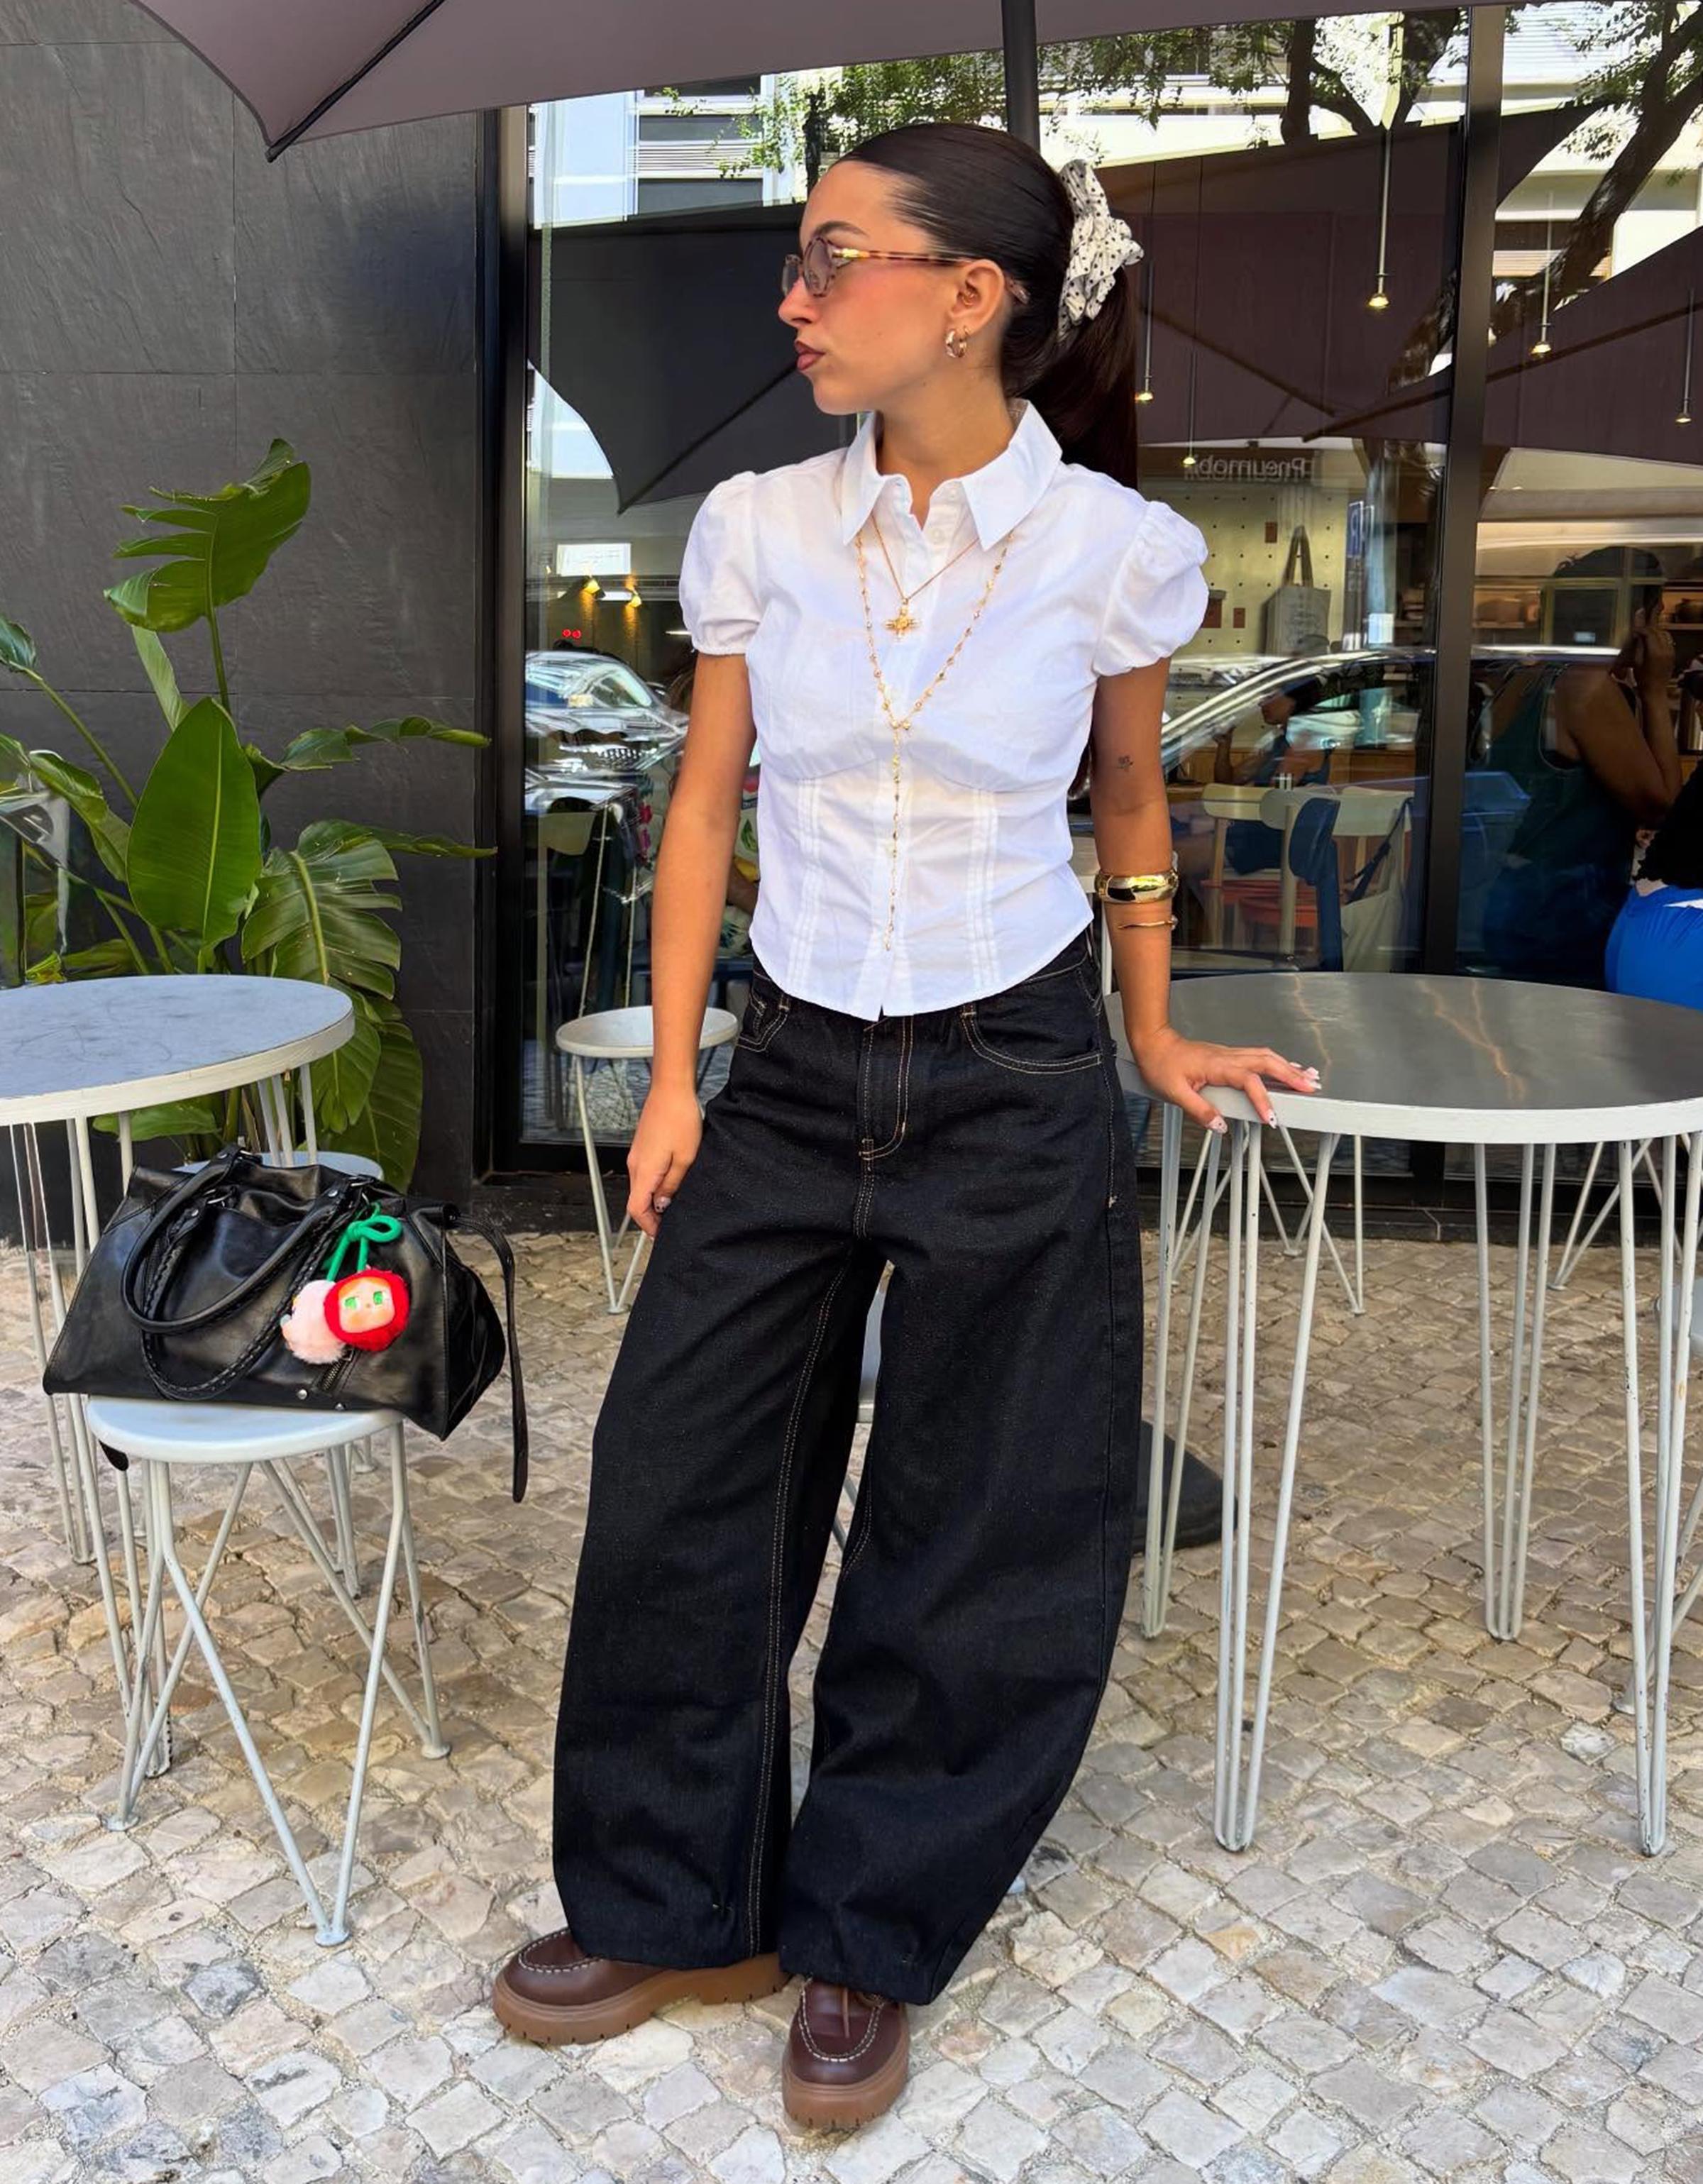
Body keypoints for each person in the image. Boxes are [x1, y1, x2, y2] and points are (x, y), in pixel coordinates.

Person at [491, 122, 1318, 2129]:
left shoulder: (1109, 550)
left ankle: (866, 1929)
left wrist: (1151, 1028)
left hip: (1013, 1065)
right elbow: (707, 805)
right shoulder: (762, 528)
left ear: (970, 299)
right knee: (683, 1475)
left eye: (833, 256)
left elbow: (1134, 809)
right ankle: (677, 1901)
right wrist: (672, 1076)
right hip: (790, 1067)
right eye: (798, 256)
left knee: (979, 1511)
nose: (793, 297)